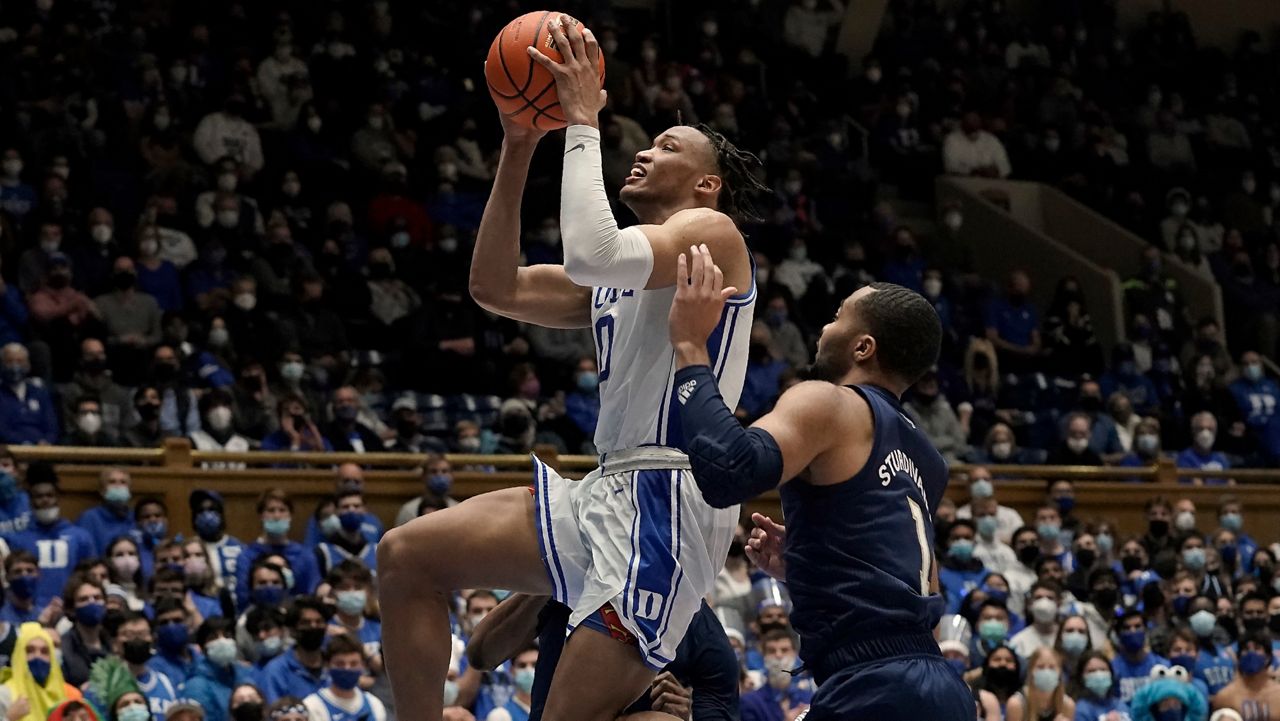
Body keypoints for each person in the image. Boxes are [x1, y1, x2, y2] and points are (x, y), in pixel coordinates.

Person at [378, 15, 766, 720]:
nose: (644, 152)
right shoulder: (624, 273)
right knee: (406, 555)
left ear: (707, 185)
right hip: (606, 486)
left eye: (667, 145)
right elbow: (495, 287)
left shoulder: (712, 234)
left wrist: (583, 117)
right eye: (647, 141)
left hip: (668, 497)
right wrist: (519, 146)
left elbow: (594, 253)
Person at [665, 250, 970, 717]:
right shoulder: (929, 458)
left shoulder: (829, 403)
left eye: (836, 317)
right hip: (937, 688)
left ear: (863, 347)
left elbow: (729, 471)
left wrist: (689, 346)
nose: (825, 328)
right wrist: (812, 563)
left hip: (874, 687)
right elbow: (914, 583)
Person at [6, 467, 95, 606]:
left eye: (50, 496)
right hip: (31, 609)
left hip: (70, 610)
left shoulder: (80, 537)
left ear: (57, 498)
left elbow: (89, 576)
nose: (45, 501)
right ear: (30, 502)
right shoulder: (18, 540)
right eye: (39, 497)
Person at [236, 489, 320, 608]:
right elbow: (243, 597)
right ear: (261, 516)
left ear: (290, 515)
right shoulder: (247, 556)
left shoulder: (305, 556)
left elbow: (312, 595)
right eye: (271, 510)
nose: (277, 516)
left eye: (282, 510)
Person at [0, 623, 84, 721]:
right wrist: (10, 718)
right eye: (29, 651)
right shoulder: (5, 695)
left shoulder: (68, 695)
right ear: (19, 656)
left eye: (44, 651)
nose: (37, 656)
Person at [180, 618, 256, 721]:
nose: (222, 641)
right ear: (202, 648)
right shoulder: (196, 686)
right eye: (213, 638)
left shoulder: (245, 674)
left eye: (227, 636)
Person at [260, 597, 329, 702]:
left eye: (319, 622)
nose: (313, 627)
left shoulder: (337, 665)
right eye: (306, 623)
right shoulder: (276, 671)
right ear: (292, 630)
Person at [301, 634, 386, 721]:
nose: (347, 668)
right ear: (327, 665)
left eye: (354, 664)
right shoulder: (312, 707)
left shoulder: (374, 705)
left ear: (363, 665)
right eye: (340, 664)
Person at [112, 612, 180, 721]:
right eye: (130, 635)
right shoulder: (105, 685)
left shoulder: (165, 682)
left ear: (152, 639)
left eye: (142, 634)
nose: (137, 640)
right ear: (116, 642)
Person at [191, 490, 245, 600]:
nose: (206, 516)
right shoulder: (190, 550)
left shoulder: (239, 548)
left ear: (221, 515)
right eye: (201, 511)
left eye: (212, 510)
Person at [0, 343, 59, 445]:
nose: (15, 366)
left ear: (28, 365)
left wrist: (47, 441)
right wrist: (26, 444)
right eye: (9, 361)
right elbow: (3, 430)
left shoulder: (40, 392)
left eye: (19, 361)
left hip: (43, 450)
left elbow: (51, 426)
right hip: (10, 450)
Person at [1212, 630, 1280, 717]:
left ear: (1268, 657)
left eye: (1257, 648)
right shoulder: (1225, 696)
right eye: (1246, 649)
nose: (1251, 653)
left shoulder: (1278, 694)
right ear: (1239, 657)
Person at [1111, 608, 1169, 704]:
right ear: (1119, 634)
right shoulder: (1112, 669)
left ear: (1145, 630)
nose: (1133, 631)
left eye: (1137, 626)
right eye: (1127, 628)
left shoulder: (1162, 666)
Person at [61, 578, 111, 687]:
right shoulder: (63, 647)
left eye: (97, 598)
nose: (92, 602)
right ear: (72, 609)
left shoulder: (113, 643)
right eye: (84, 599)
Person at [77, 468, 137, 555]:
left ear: (129, 490)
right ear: (102, 491)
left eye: (123, 482)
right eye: (112, 482)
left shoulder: (136, 517)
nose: (118, 486)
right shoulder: (89, 518)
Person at [1005, 646, 1074, 721]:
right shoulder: (1016, 704)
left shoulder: (1067, 705)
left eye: (1052, 667)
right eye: (1040, 667)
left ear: (1060, 673)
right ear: (1031, 671)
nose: (1046, 672)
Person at [394, 456, 458, 527]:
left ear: (452, 476)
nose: (439, 475)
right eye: (433, 471)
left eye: (444, 471)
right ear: (424, 476)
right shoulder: (409, 511)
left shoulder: (458, 509)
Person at [1071, 650, 1130, 721]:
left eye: (1103, 670)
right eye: (1092, 671)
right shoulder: (1080, 710)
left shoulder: (1121, 705)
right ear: (1081, 677)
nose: (1099, 675)